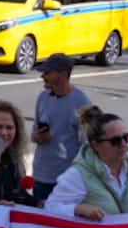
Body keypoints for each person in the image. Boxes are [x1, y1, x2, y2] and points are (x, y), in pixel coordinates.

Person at [29, 54, 92, 190]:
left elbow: (88, 146)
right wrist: (37, 136)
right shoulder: (43, 97)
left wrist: (76, 176)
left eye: (48, 73)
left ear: (63, 74)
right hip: (40, 175)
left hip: (66, 180)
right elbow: (34, 131)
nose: (42, 76)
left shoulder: (83, 103)